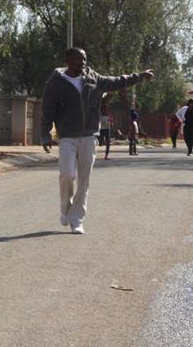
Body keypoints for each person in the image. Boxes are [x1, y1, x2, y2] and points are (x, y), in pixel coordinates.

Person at [41, 47, 154, 234]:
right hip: (67, 136)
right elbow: (47, 110)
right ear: (67, 61)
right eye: (78, 59)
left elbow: (118, 81)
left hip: (89, 135)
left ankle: (77, 219)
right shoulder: (55, 82)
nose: (82, 63)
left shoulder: (93, 78)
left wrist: (139, 76)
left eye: (84, 59)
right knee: (67, 175)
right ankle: (66, 210)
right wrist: (45, 134)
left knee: (84, 180)